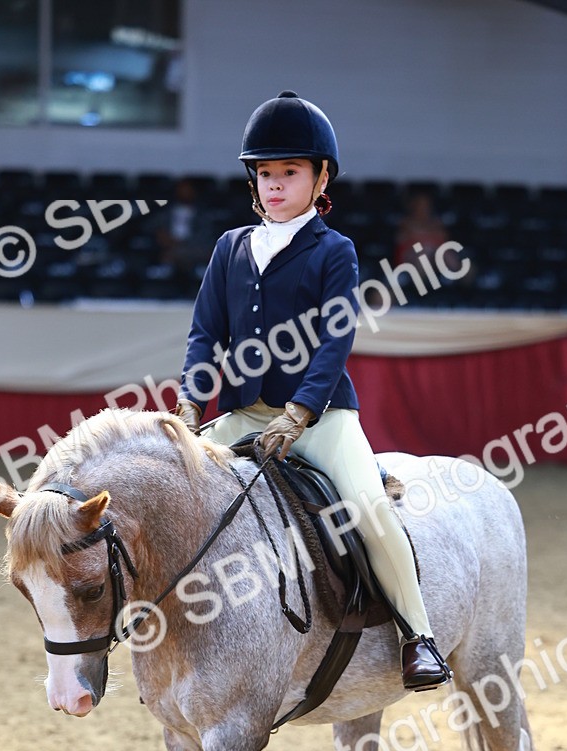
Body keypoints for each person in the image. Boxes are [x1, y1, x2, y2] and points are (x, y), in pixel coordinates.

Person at [174, 90, 451, 691]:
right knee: (172, 483)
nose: (274, 185)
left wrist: (299, 413)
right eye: (265, 173)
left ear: (320, 175)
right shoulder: (229, 248)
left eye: (289, 173)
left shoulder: (335, 251)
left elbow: (333, 343)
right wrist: (192, 400)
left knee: (368, 509)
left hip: (321, 419)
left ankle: (418, 636)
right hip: (243, 415)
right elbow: (204, 334)